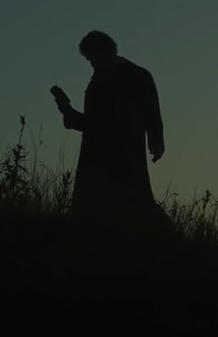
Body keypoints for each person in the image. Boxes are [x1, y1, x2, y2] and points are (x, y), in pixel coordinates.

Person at [51, 31, 169, 236]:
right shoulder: (98, 82)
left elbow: (152, 111)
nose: (91, 64)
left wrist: (156, 141)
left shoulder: (137, 76)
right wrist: (68, 113)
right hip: (97, 156)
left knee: (133, 205)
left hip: (124, 155)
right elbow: (93, 122)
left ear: (104, 52)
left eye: (92, 58)